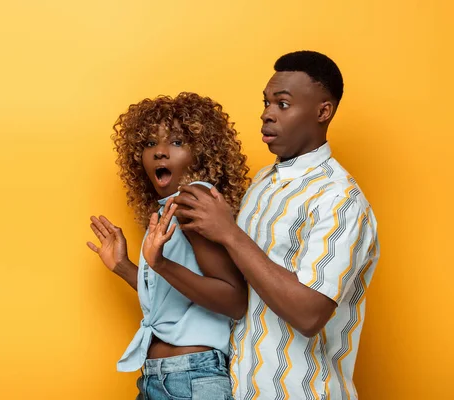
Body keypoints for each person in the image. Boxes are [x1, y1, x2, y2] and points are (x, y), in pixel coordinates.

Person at [174, 51, 380, 400]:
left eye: (283, 104)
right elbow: (240, 292)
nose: (267, 113)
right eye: (267, 102)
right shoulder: (263, 182)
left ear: (323, 111)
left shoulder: (341, 199)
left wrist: (229, 233)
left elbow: (309, 313)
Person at [87, 92, 251, 399]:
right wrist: (124, 267)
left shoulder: (194, 200)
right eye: (150, 144)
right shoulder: (169, 210)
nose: (160, 152)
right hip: (162, 378)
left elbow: (234, 299)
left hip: (191, 377)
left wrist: (160, 264)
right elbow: (173, 299)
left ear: (201, 154)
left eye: (176, 142)